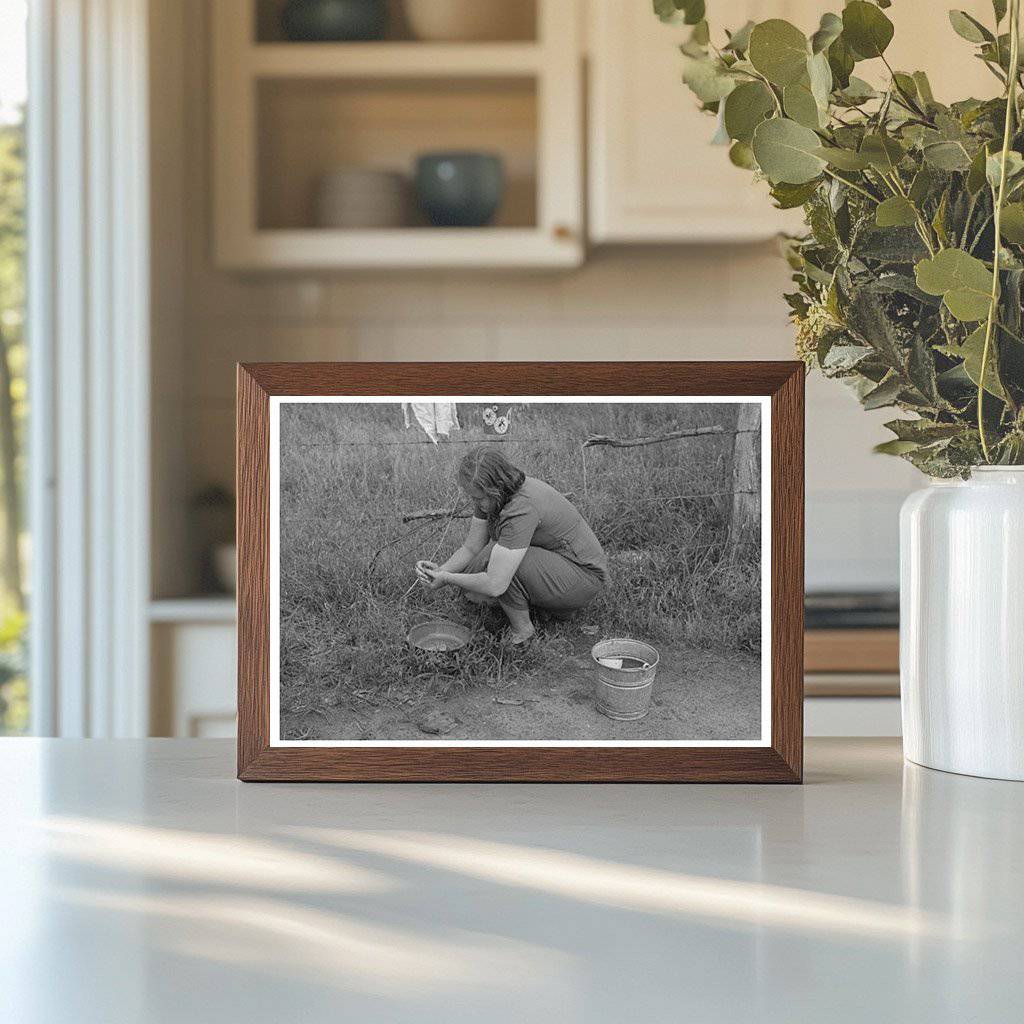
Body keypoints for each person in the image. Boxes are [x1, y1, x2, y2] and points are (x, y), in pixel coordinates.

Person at [416, 446, 609, 644]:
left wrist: (448, 578)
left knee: (500, 571)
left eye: (477, 498)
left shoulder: (521, 508)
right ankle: (547, 608)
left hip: (584, 577)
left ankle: (522, 631)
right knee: (473, 587)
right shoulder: (493, 496)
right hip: (556, 563)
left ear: (493, 489)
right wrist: (441, 570)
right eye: (472, 496)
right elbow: (471, 548)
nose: (474, 502)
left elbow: (495, 583)